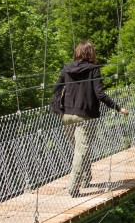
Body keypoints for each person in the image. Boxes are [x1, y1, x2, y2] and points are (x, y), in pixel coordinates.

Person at [52, 41, 128, 197]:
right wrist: (118, 107)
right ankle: (73, 187)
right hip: (85, 116)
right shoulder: (93, 70)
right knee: (82, 151)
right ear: (91, 53)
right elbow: (100, 94)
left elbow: (56, 88)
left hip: (66, 115)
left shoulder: (67, 68)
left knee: (80, 150)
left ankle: (86, 178)